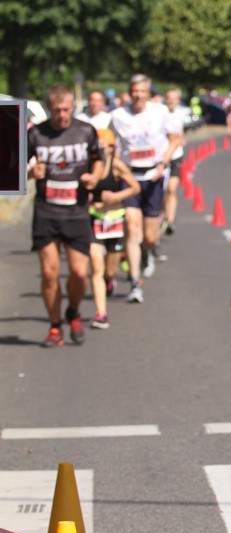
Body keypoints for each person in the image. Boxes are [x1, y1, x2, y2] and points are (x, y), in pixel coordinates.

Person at [27, 84, 104, 347]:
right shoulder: (36, 133)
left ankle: (73, 311)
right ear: (48, 108)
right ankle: (54, 326)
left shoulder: (85, 131)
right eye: (57, 110)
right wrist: (31, 172)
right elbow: (19, 167)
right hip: (47, 211)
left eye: (66, 109)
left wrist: (94, 176)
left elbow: (99, 159)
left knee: (79, 273)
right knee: (49, 274)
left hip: (77, 211)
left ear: (73, 107)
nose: (62, 115)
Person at [110, 74, 181, 302]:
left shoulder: (159, 112)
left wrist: (163, 162)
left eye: (142, 91)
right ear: (129, 92)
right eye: (134, 91)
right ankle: (134, 281)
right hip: (130, 176)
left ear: (148, 92)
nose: (138, 95)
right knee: (132, 229)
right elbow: (112, 146)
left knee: (149, 236)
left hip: (153, 175)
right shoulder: (118, 116)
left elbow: (175, 139)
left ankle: (147, 252)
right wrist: (117, 167)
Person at [88, 129, 141, 328]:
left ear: (112, 148)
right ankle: (101, 313)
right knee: (96, 266)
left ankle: (110, 280)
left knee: (110, 268)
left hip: (114, 219)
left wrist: (116, 197)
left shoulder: (117, 166)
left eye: (105, 146)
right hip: (93, 217)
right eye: (98, 147)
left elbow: (135, 187)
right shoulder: (89, 166)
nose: (102, 150)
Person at [163, 88, 186, 236]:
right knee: (162, 190)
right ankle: (162, 216)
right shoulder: (160, 114)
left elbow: (180, 134)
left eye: (174, 98)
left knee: (172, 188)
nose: (171, 101)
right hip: (161, 156)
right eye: (169, 98)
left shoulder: (181, 113)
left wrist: (179, 139)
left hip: (176, 155)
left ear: (178, 100)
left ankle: (170, 221)